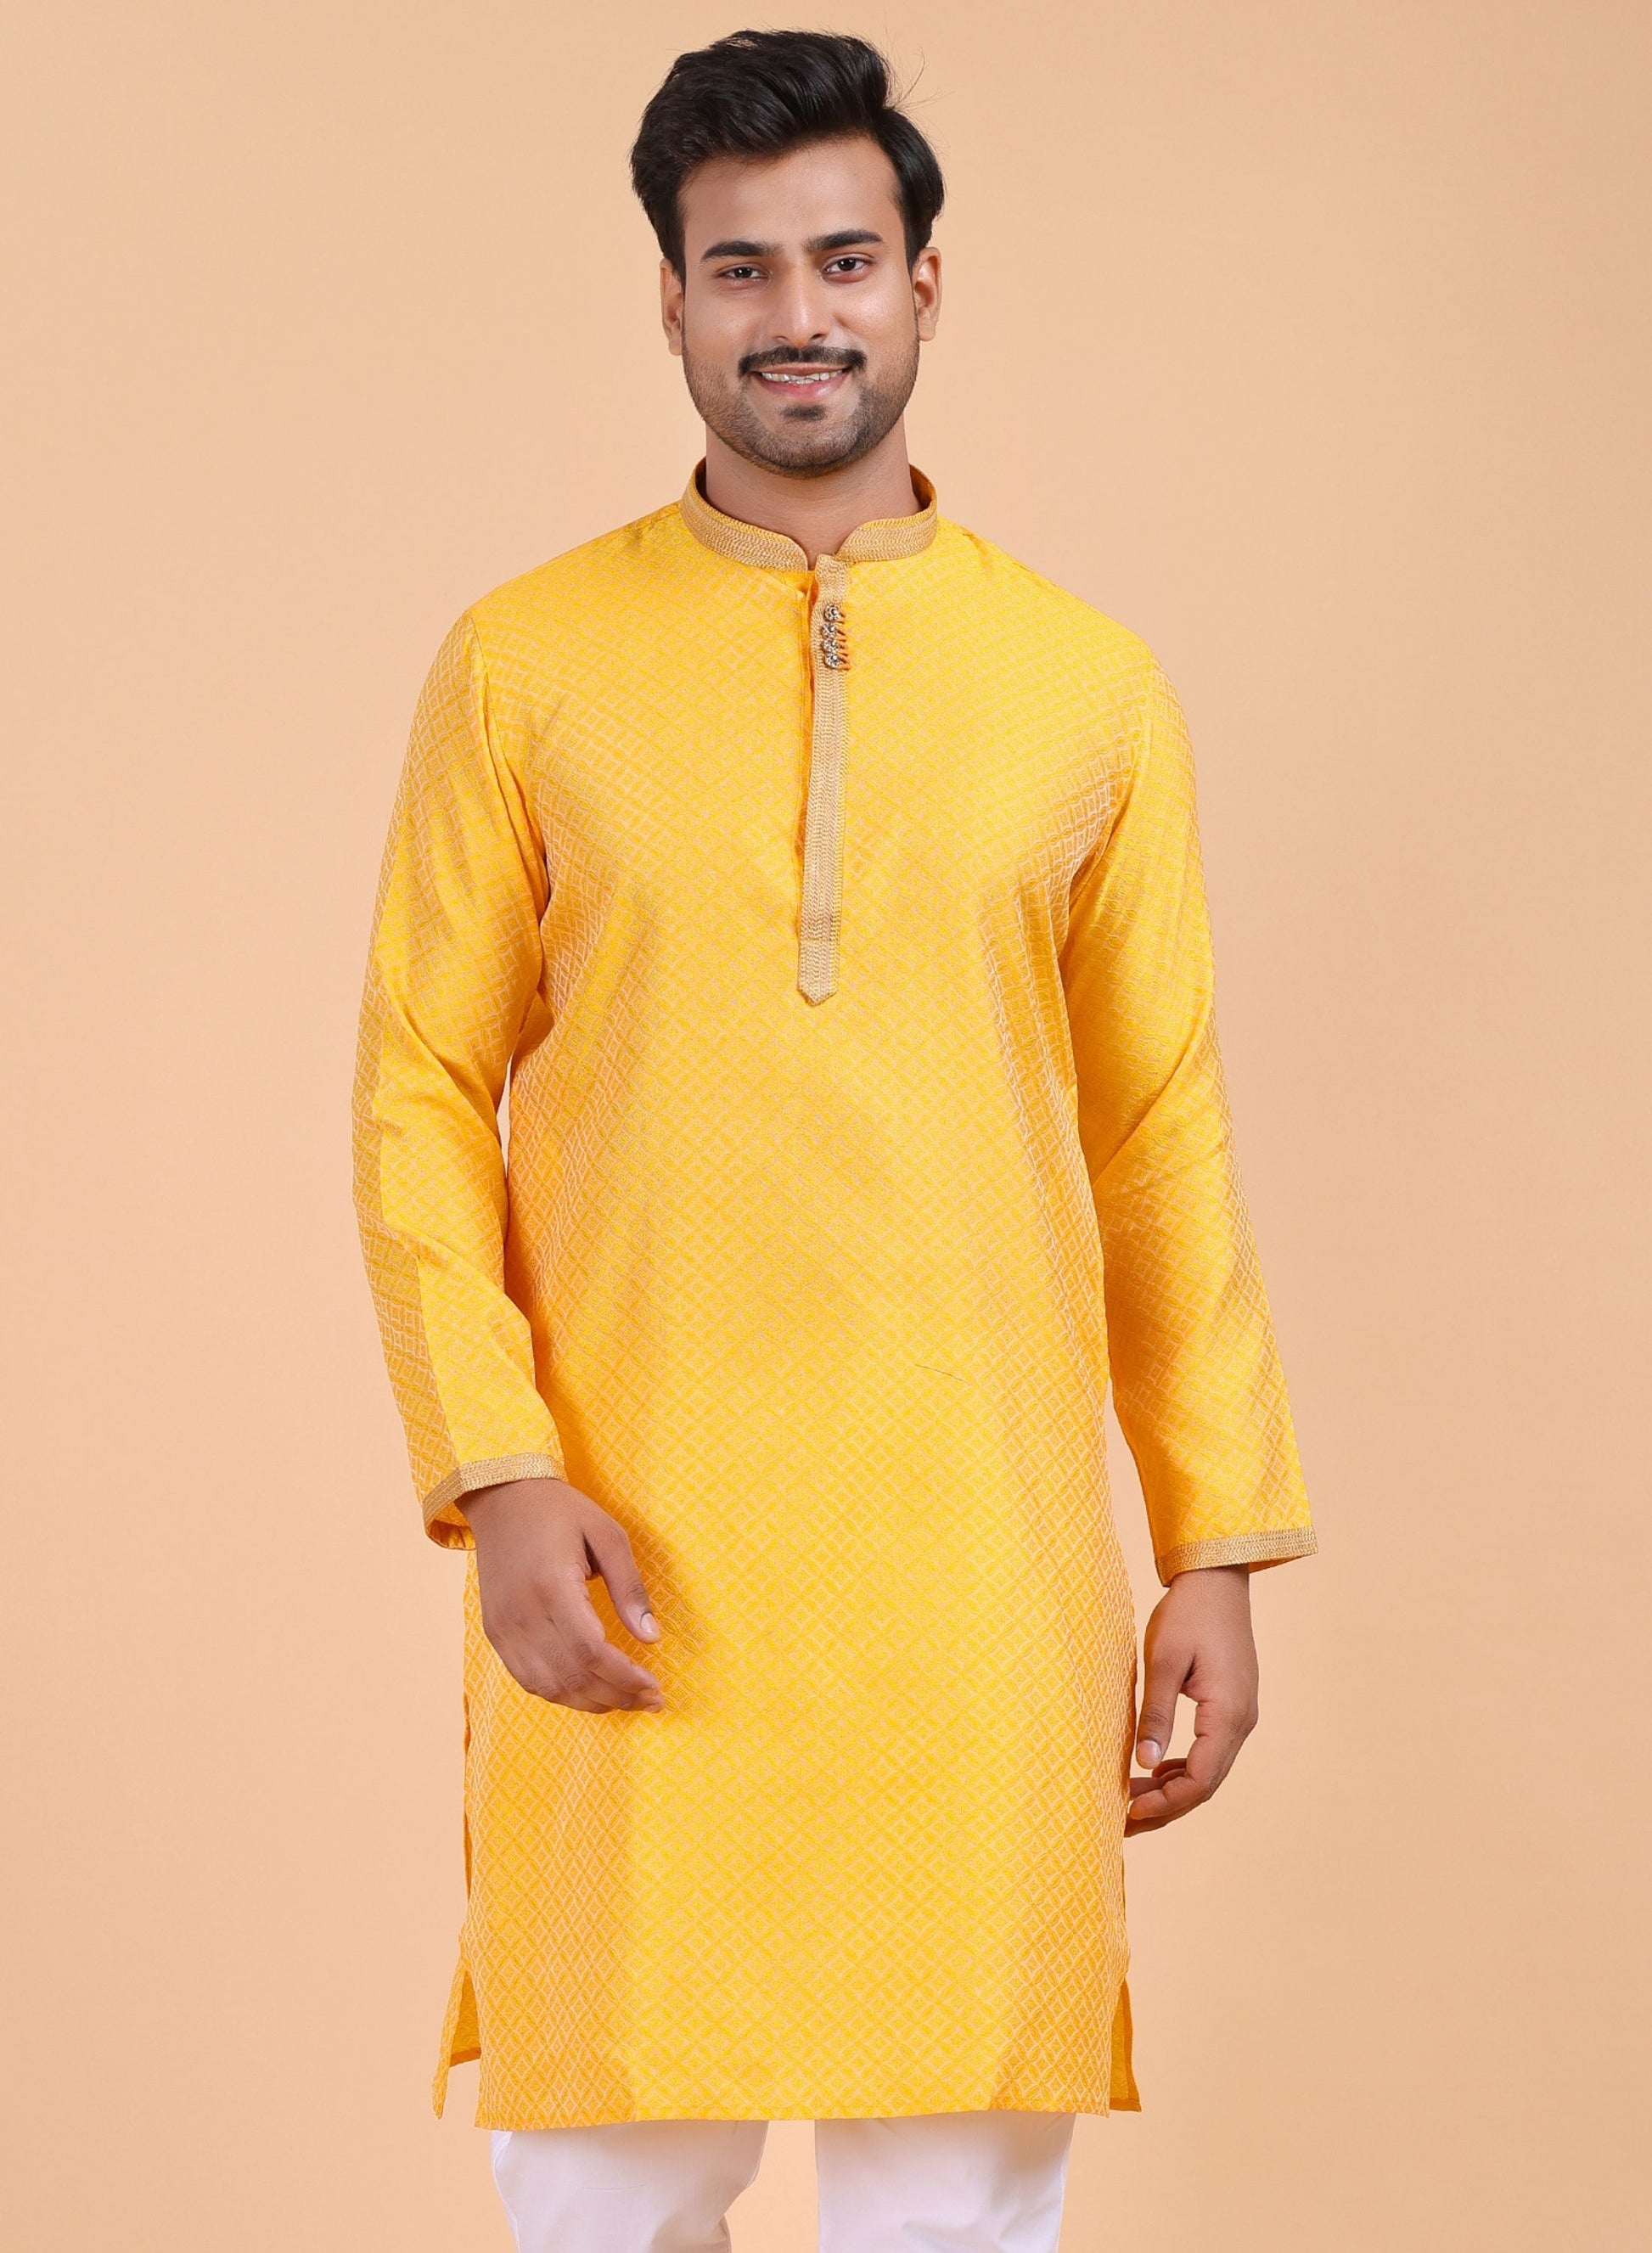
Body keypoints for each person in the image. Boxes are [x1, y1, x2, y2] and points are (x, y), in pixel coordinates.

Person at [351, 27, 1317, 2252]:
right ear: (671, 300)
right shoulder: (522, 666)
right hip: (630, 1556)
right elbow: (417, 1086)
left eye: (845, 259)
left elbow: (1159, 1130)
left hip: (979, 1575)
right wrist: (495, 1468)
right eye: (743, 267)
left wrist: (1215, 1542)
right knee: (600, 2195)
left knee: (953, 2207)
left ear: (924, 283)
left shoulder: (1085, 686)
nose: (800, 311)